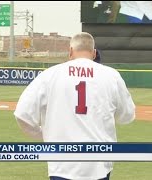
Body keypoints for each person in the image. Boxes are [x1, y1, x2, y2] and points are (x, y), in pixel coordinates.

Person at [14, 32, 136, 180]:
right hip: (99, 164)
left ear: (70, 51)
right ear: (94, 53)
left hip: (62, 165)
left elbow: (22, 114)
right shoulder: (111, 75)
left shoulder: (50, 75)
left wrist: (43, 135)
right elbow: (126, 116)